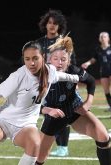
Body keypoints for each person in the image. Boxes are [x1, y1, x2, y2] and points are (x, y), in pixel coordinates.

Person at [19, 35, 111, 165]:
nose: (59, 62)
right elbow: (27, 102)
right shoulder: (39, 75)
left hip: (74, 110)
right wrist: (47, 110)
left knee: (103, 136)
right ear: (48, 59)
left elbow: (91, 81)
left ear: (69, 61)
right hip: (53, 116)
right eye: (56, 58)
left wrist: (88, 103)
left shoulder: (74, 71)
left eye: (63, 59)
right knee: (39, 156)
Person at [36, 9, 76, 157]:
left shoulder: (64, 41)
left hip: (63, 82)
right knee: (49, 113)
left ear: (59, 26)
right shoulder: (39, 43)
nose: (52, 25)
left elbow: (72, 62)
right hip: (46, 83)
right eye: (49, 23)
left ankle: (63, 147)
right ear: (45, 25)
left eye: (55, 23)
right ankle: (53, 145)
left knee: (63, 114)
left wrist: (72, 80)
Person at [81, 32, 111, 112]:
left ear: (108, 38)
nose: (103, 38)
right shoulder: (98, 49)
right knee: (106, 90)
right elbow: (94, 59)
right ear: (99, 39)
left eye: (105, 37)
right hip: (103, 72)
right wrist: (87, 63)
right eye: (101, 37)